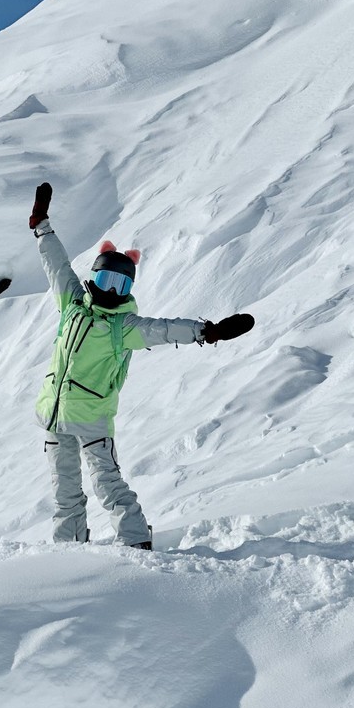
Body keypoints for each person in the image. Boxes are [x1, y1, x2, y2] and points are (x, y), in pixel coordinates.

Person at [29, 182, 253, 549]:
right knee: (64, 490)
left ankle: (135, 541)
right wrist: (42, 226)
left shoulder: (122, 327)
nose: (111, 291)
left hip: (93, 419)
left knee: (107, 484)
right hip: (54, 416)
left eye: (120, 285)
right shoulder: (71, 303)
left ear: (129, 289)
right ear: (94, 278)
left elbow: (163, 330)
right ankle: (67, 550)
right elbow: (56, 265)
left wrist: (206, 332)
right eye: (105, 280)